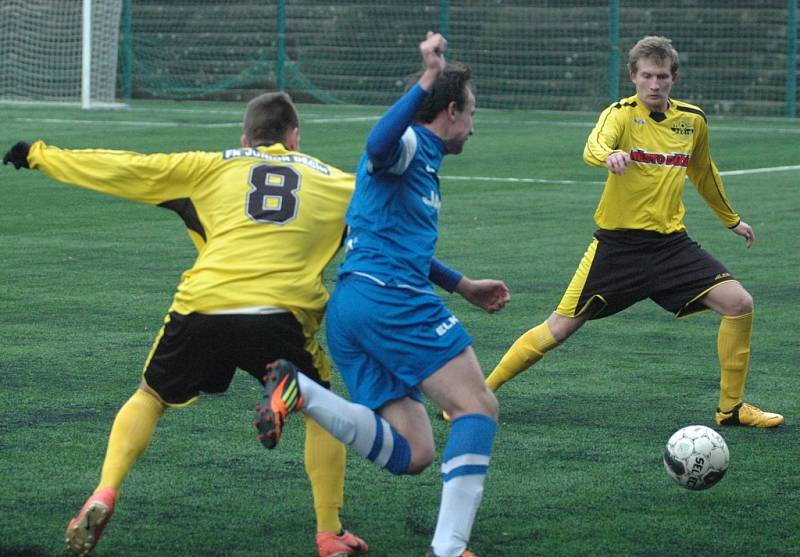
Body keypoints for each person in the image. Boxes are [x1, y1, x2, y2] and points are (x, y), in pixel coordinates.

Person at [2, 92, 369, 557]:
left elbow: (125, 168)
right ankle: (329, 534)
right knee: (322, 411)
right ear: (294, 137)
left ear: (245, 138)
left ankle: (104, 492)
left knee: (151, 395)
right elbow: (388, 219)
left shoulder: (209, 165)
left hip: (204, 305)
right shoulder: (339, 182)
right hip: (281, 314)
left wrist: (40, 155)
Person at [254, 32, 509, 557]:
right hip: (390, 301)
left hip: (355, 307)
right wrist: (428, 78)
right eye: (473, 113)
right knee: (477, 408)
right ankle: (448, 548)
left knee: (414, 452)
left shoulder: (424, 164)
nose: (474, 127)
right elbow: (376, 145)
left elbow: (397, 242)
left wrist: (462, 285)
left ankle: (302, 393)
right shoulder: (412, 145)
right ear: (454, 111)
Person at [485, 35, 783, 428]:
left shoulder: (692, 120)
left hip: (671, 246)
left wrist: (731, 219)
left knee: (739, 303)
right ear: (633, 77)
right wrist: (609, 154)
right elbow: (594, 144)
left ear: (674, 77)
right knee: (558, 329)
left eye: (662, 76)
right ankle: (476, 396)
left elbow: (704, 172)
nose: (655, 85)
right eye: (647, 76)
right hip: (618, 247)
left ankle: (730, 410)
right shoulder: (621, 114)